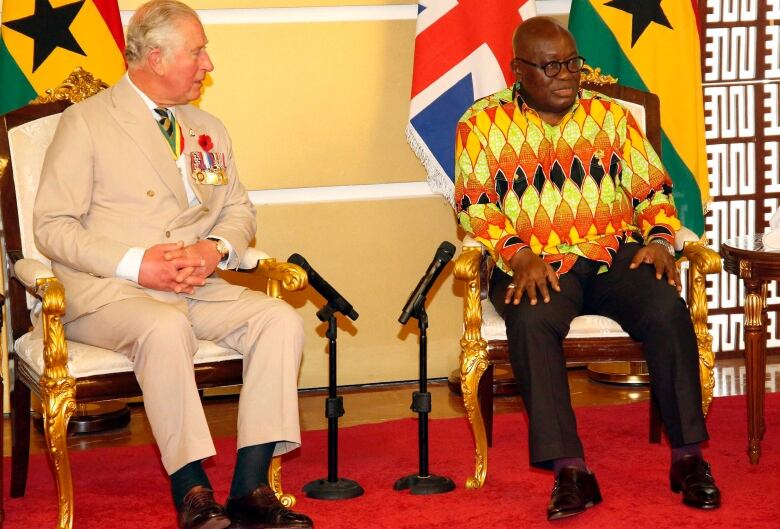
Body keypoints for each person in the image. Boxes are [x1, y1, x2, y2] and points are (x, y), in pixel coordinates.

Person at [33, 2, 313, 528]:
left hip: (195, 284)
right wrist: (137, 265)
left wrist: (215, 251)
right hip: (109, 292)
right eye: (199, 51)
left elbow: (238, 210)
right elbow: (52, 225)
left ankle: (251, 488)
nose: (208, 65)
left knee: (277, 320)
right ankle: (192, 492)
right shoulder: (88, 122)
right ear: (156, 58)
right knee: (163, 327)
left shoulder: (206, 125)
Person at [454, 17, 721, 521]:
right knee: (531, 321)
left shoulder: (610, 117)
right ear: (519, 70)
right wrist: (516, 254)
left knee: (667, 306)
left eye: (572, 63)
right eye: (550, 66)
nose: (566, 76)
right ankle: (571, 470)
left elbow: (653, 190)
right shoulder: (480, 124)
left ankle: (689, 459)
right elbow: (474, 205)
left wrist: (662, 240)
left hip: (611, 254)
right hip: (537, 263)